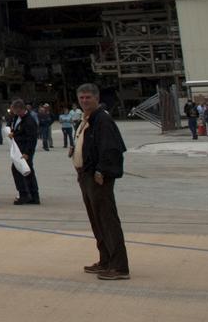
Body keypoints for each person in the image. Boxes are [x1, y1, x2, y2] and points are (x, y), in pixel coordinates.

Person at [70, 82, 130, 280]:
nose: (85, 101)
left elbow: (111, 149)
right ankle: (105, 259)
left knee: (107, 220)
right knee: (97, 220)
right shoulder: (88, 119)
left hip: (98, 178)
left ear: (97, 98)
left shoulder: (102, 120)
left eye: (88, 97)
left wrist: (102, 171)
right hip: (85, 176)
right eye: (82, 98)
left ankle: (119, 266)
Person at [8, 99, 41, 205]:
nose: (14, 113)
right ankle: (32, 195)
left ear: (20, 109)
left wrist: (27, 153)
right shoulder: (17, 118)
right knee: (26, 172)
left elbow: (32, 139)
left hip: (24, 151)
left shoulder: (29, 121)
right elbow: (17, 129)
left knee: (21, 171)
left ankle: (25, 195)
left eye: (15, 111)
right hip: (18, 149)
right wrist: (13, 133)